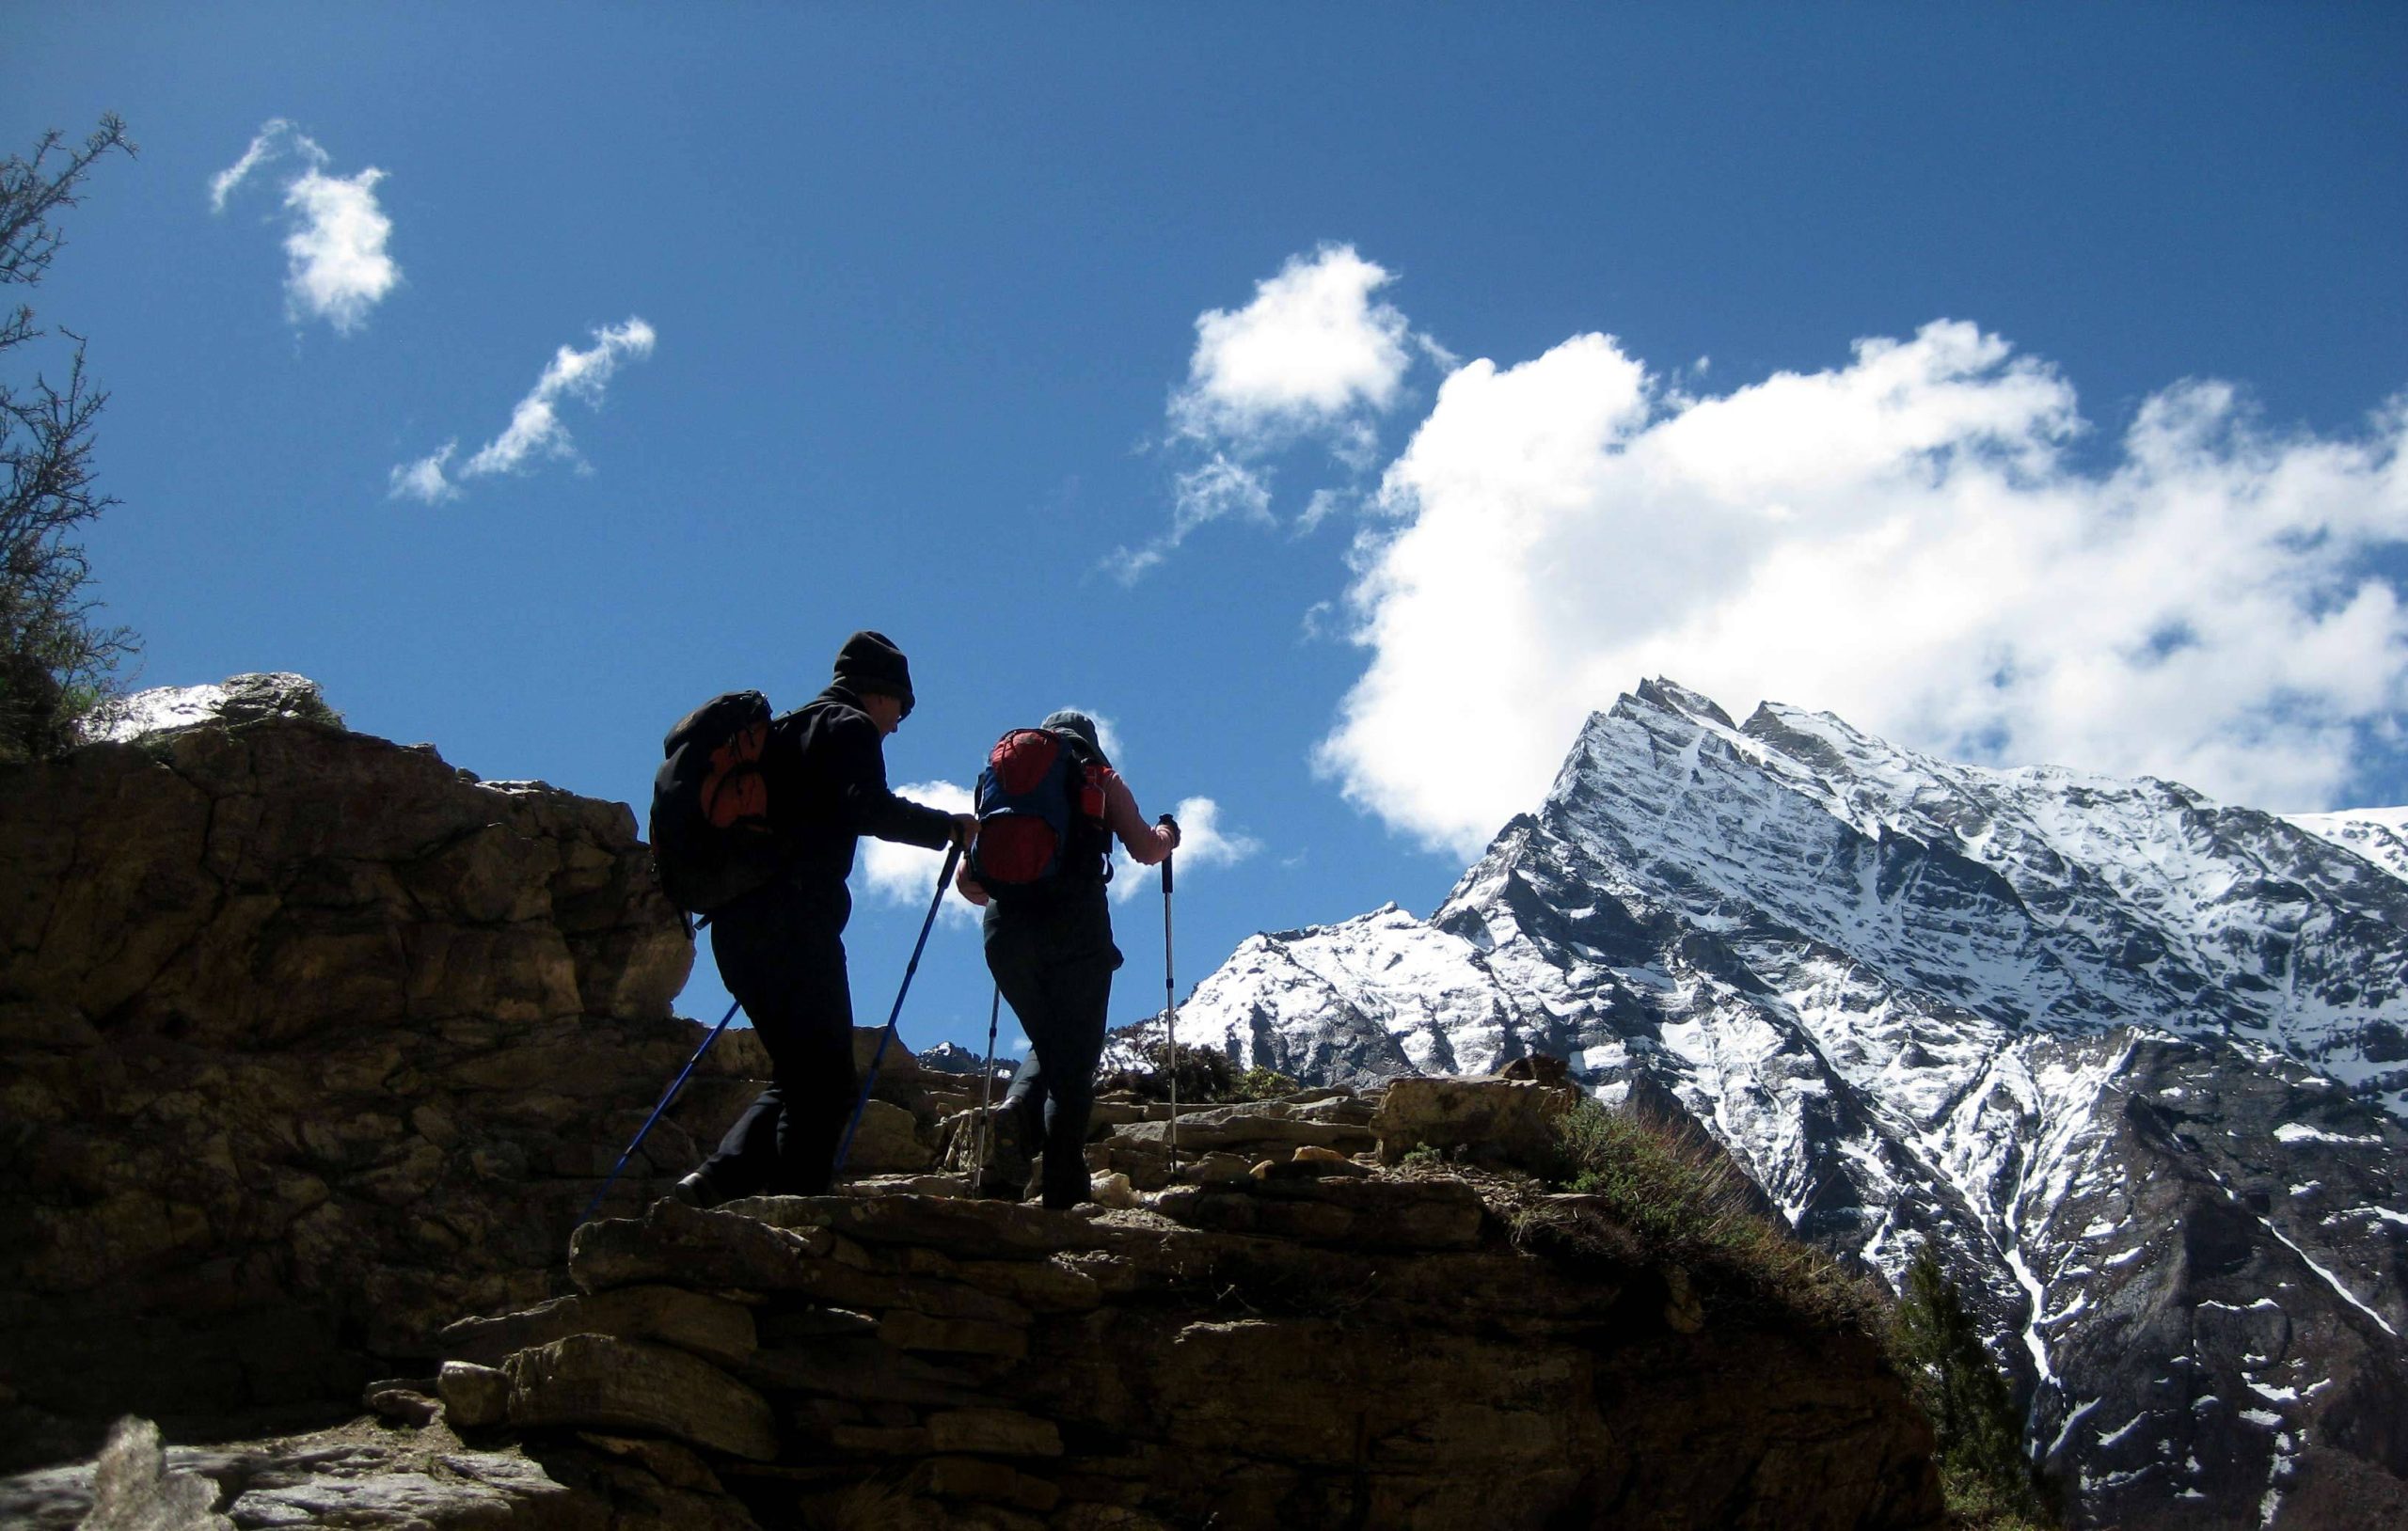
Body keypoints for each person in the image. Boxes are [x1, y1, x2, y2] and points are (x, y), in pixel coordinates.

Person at [673, 631, 974, 1207]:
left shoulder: (781, 732)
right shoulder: (849, 726)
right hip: (794, 925)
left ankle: (710, 1186)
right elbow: (868, 807)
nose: (898, 724)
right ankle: (796, 1214)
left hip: (733, 927)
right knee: (829, 1084)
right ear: (879, 692)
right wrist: (947, 827)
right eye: (902, 707)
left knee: (799, 1074)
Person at [956, 709, 1178, 1209]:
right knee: (1074, 1060)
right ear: (1089, 740)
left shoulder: (1000, 781)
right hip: (1075, 927)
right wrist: (1170, 834)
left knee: (1051, 1041)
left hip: (1004, 932)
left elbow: (970, 882)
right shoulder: (1097, 776)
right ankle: (1063, 1193)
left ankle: (1016, 1110)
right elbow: (1146, 849)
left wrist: (1016, 886)